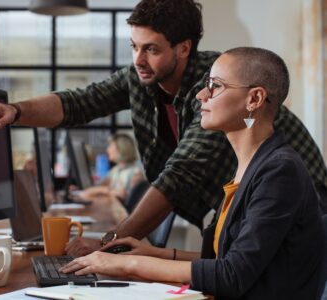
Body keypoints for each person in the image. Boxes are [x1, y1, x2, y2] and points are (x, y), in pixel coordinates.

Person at [0, 0, 327, 257]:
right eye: (134, 47)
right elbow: (78, 102)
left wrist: (109, 243)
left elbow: (180, 175)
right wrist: (15, 111)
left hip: (298, 209)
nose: (138, 60)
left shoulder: (214, 86)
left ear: (184, 48)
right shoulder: (139, 80)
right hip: (237, 213)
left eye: (151, 49)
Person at [60, 47, 325, 300]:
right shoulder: (249, 164)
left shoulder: (280, 171)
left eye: (216, 86)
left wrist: (128, 264)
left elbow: (232, 275)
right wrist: (154, 253)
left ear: (254, 99)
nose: (200, 95)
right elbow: (224, 261)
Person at [80, 133, 144, 202]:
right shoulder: (116, 170)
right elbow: (98, 186)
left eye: (110, 146)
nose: (107, 150)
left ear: (121, 148)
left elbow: (122, 196)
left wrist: (104, 190)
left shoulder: (135, 173)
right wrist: (106, 190)